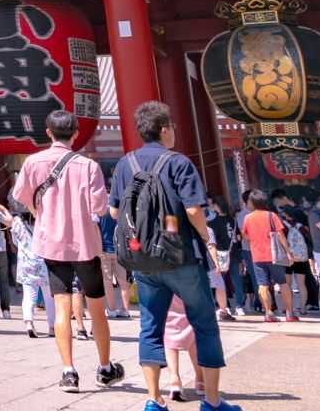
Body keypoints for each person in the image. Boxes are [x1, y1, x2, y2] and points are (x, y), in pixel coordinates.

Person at [108, 101, 239, 411]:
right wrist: (205, 237)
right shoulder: (179, 163)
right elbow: (193, 210)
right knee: (204, 324)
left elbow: (114, 211)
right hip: (181, 256)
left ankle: (154, 399)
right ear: (164, 129)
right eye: (173, 127)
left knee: (150, 325)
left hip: (144, 259)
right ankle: (212, 401)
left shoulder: (125, 164)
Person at [10, 108, 123, 393]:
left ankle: (68, 371)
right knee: (96, 308)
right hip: (85, 243)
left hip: (51, 244)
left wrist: (39, 210)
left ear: (48, 132)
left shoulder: (33, 162)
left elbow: (20, 196)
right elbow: (100, 207)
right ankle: (105, 368)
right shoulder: (88, 166)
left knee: (61, 306)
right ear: (75, 134)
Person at [240, 193, 290, 323]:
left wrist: (255, 241)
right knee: (282, 283)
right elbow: (280, 235)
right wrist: (288, 251)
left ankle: (268, 313)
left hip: (257, 256)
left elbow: (245, 236)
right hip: (274, 255)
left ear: (253, 202)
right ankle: (289, 313)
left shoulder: (247, 218)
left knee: (262, 285)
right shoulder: (271, 215)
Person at [97, 210, 130, 318]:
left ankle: (112, 309)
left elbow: (97, 232)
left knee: (107, 281)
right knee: (123, 282)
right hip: (119, 250)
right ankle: (125, 310)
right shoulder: (119, 210)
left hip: (104, 250)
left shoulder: (100, 212)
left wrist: (98, 250)